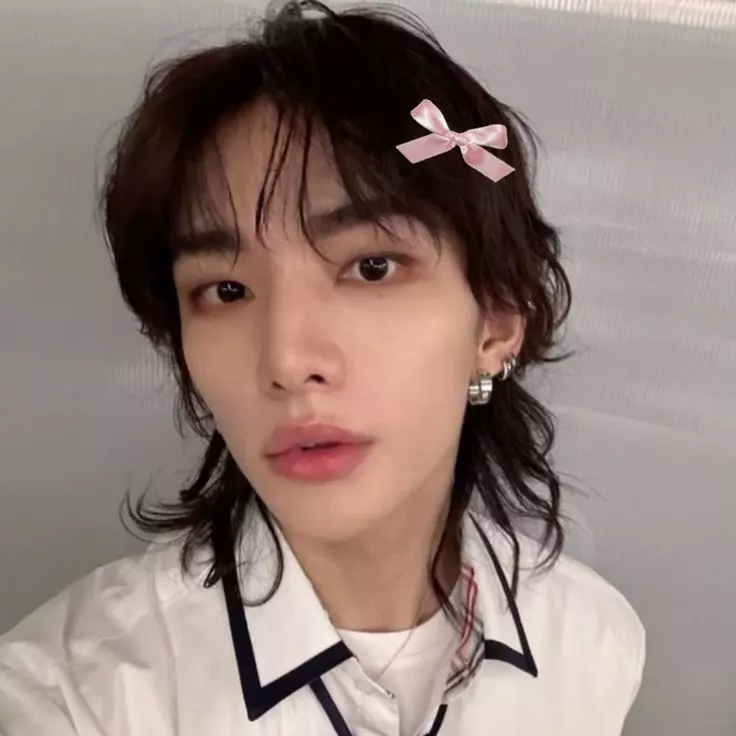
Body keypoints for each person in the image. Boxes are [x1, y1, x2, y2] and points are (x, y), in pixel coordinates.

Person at [0, 1, 645, 734]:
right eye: (225, 291)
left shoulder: (592, 642)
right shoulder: (75, 697)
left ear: (495, 322)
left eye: (371, 267)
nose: (286, 361)